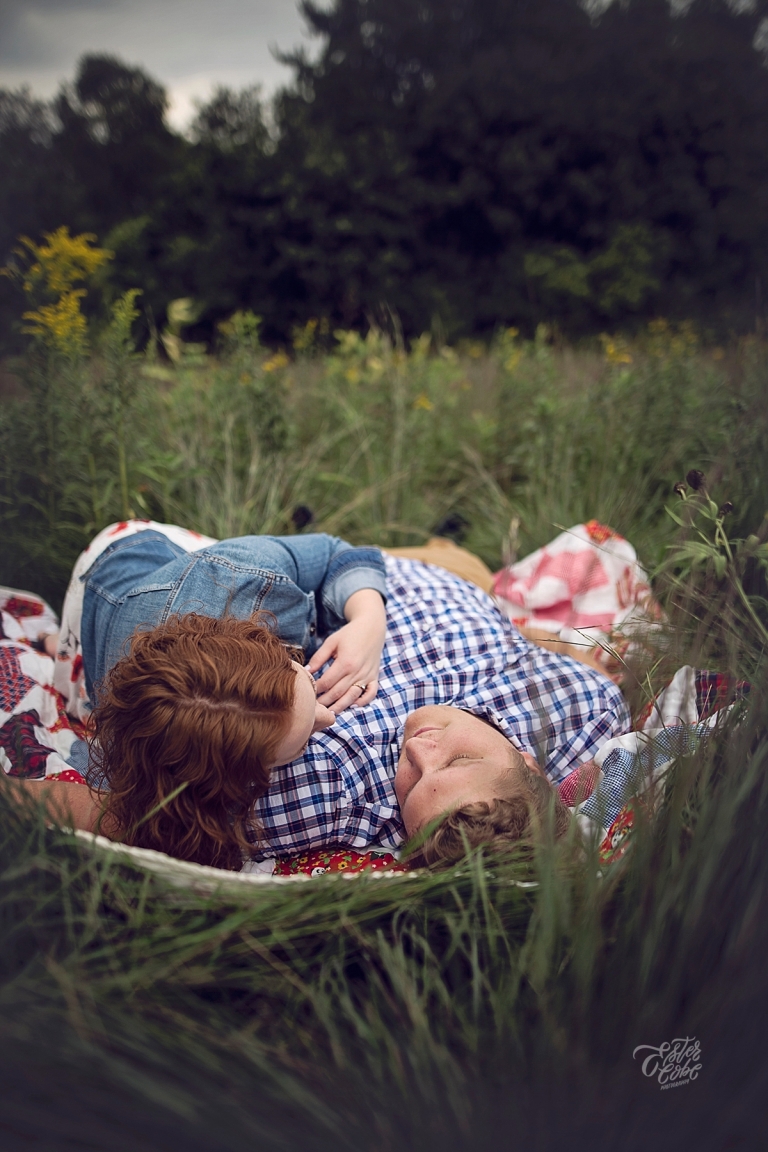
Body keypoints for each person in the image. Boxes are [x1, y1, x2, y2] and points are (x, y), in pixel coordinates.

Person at [59, 524, 389, 867]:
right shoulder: (145, 758)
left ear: (260, 643)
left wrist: (368, 622)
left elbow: (335, 549)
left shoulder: (243, 573)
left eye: (300, 671)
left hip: (164, 561)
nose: (329, 716)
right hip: (109, 582)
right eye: (303, 743)